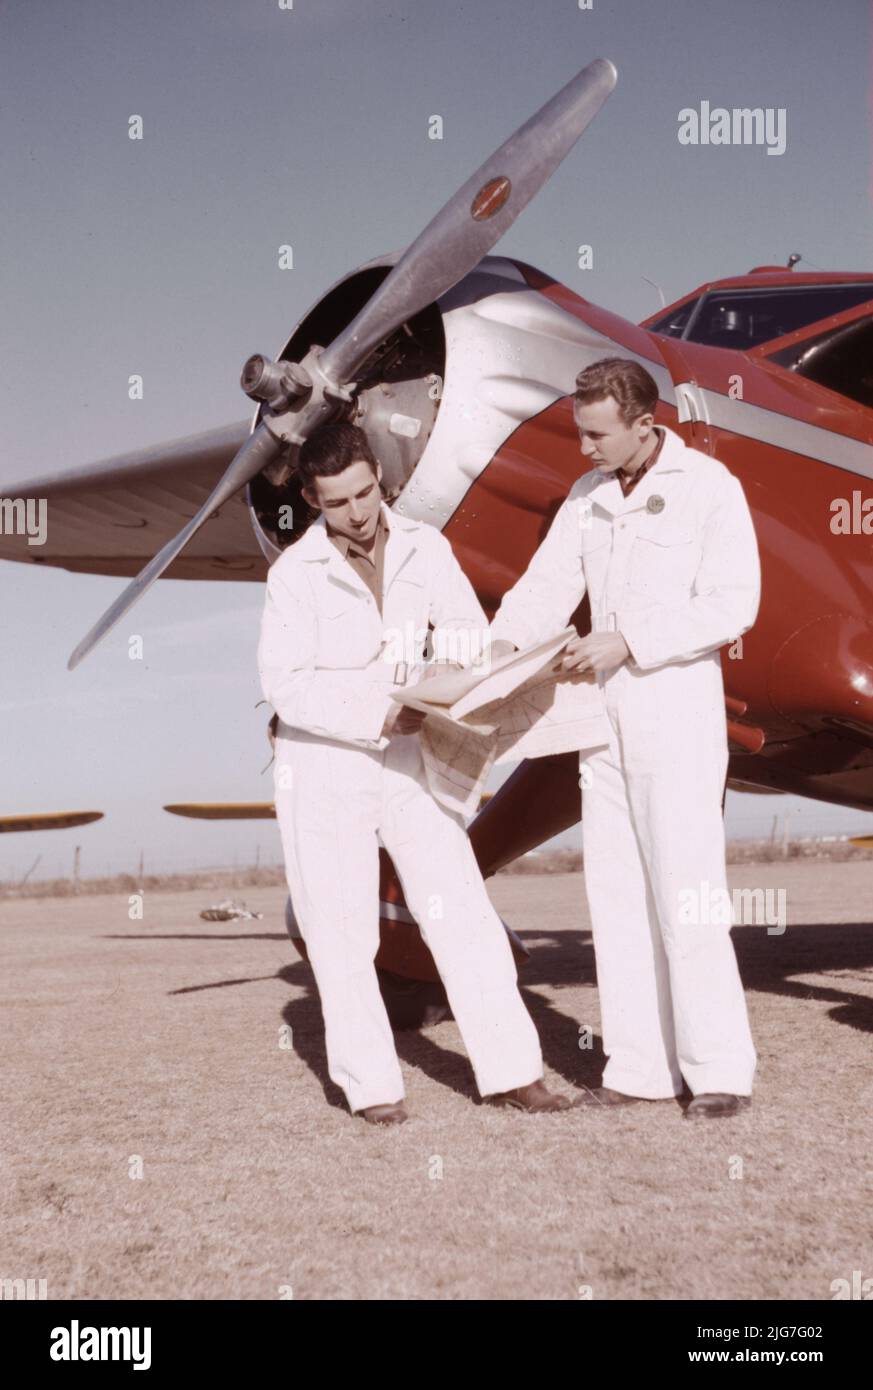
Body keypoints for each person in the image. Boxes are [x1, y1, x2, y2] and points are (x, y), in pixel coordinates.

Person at [257, 420, 571, 1123]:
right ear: (313, 498)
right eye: (337, 503)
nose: (358, 513)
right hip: (322, 764)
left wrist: (459, 677)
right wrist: (377, 710)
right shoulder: (292, 576)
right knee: (341, 931)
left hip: (410, 755)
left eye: (365, 493)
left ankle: (515, 1073)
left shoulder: (426, 548)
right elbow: (286, 686)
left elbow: (462, 631)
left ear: (379, 478)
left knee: (459, 908)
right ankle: (372, 1090)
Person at [489, 358, 760, 1119]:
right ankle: (638, 1070)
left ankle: (717, 1072)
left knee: (686, 893)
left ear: (645, 424)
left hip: (674, 716)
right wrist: (494, 654)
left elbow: (732, 604)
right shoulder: (585, 497)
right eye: (580, 433)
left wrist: (626, 640)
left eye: (596, 434)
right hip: (598, 725)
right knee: (613, 897)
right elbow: (542, 591)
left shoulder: (710, 488)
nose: (584, 449)